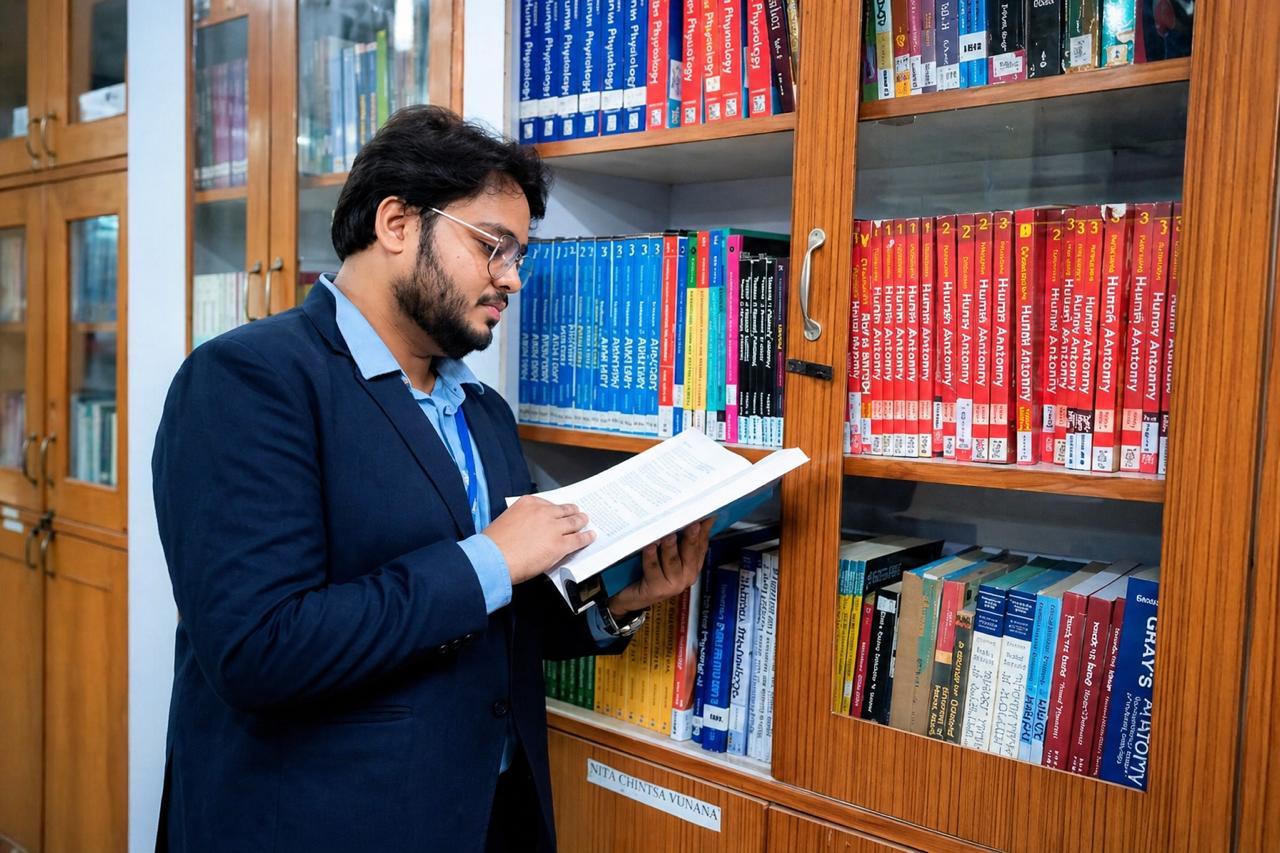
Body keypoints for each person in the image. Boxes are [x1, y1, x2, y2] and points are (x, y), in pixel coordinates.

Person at [152, 105, 712, 852]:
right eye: (492, 247)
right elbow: (259, 648)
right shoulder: (248, 380)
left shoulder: (482, 411)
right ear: (396, 223)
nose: (510, 278)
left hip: (486, 814)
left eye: (520, 254)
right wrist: (491, 557)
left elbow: (489, 623)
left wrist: (616, 598)